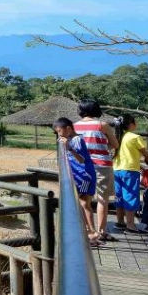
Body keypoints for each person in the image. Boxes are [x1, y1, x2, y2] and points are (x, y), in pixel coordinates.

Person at [75, 99, 120, 242]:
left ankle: (88, 231)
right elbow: (115, 144)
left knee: (85, 199)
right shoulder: (102, 125)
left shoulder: (74, 126)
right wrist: (102, 148)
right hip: (102, 165)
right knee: (103, 199)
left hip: (83, 166)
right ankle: (101, 231)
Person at [113, 114, 148, 234]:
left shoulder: (119, 136)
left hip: (116, 169)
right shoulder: (135, 137)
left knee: (119, 197)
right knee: (130, 196)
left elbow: (125, 155)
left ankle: (120, 222)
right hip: (130, 171)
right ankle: (131, 226)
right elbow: (147, 156)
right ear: (131, 123)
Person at [55, 117, 101, 247]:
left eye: (60, 131)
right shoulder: (69, 140)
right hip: (78, 176)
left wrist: (69, 148)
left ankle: (92, 232)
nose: (59, 134)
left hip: (84, 176)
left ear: (68, 128)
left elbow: (81, 160)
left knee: (84, 203)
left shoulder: (77, 140)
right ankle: (87, 231)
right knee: (81, 203)